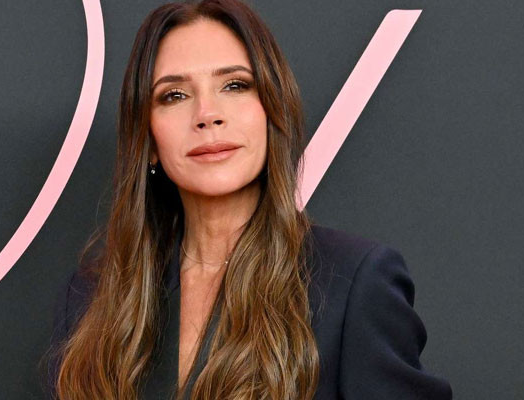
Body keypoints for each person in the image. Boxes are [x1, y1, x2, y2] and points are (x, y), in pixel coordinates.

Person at [44, 0, 453, 399]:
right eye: (174, 95)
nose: (207, 114)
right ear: (148, 138)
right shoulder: (90, 296)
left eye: (235, 85)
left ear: (272, 110)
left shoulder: (354, 282)